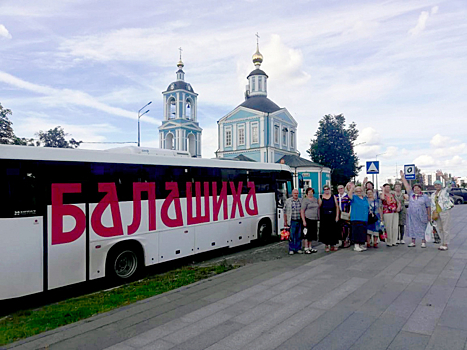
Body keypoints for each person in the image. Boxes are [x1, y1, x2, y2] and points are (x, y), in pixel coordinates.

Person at [399, 170, 431, 248]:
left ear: (420, 189)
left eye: (418, 188)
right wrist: (403, 177)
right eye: (415, 188)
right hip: (412, 215)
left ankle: (423, 242)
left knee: (423, 228)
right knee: (412, 227)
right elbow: (407, 186)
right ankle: (413, 241)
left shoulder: (425, 197)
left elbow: (428, 207)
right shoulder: (411, 195)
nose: (417, 189)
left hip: (422, 215)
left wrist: (429, 215)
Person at [431, 170, 454, 251]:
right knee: (439, 228)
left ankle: (445, 243)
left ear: (441, 185)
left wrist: (443, 176)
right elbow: (432, 205)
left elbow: (450, 183)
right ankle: (442, 243)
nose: (437, 186)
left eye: (438, 184)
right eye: (435, 184)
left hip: (444, 211)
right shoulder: (433, 194)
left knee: (445, 228)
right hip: (436, 213)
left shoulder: (444, 191)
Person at [347, 182, 369, 252]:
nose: (359, 192)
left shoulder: (364, 198)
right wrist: (352, 188)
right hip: (356, 217)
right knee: (357, 231)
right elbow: (349, 195)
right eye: (357, 191)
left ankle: (361, 244)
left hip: (364, 218)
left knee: (362, 232)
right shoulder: (354, 197)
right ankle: (356, 245)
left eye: (360, 191)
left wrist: (363, 183)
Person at [318, 185, 340, 252]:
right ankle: (326, 245)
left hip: (332, 215)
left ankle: (333, 245)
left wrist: (337, 216)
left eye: (327, 189)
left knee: (333, 230)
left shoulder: (333, 197)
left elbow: (337, 207)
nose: (326, 190)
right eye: (325, 189)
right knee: (325, 231)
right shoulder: (321, 197)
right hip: (324, 216)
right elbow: (319, 207)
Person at [284, 189, 303, 255]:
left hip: (299, 220)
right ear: (292, 194)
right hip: (292, 220)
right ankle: (291, 249)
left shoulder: (300, 200)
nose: (296, 194)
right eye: (294, 193)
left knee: (299, 235)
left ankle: (298, 248)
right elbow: (285, 212)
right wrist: (285, 222)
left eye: (297, 193)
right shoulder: (288, 201)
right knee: (291, 236)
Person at [300, 187, 319, 254]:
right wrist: (303, 220)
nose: (310, 193)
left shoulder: (315, 199)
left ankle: (310, 247)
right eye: (309, 192)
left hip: (314, 219)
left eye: (311, 192)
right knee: (306, 234)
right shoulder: (305, 200)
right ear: (307, 193)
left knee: (312, 234)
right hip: (308, 218)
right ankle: (306, 247)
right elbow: (302, 210)